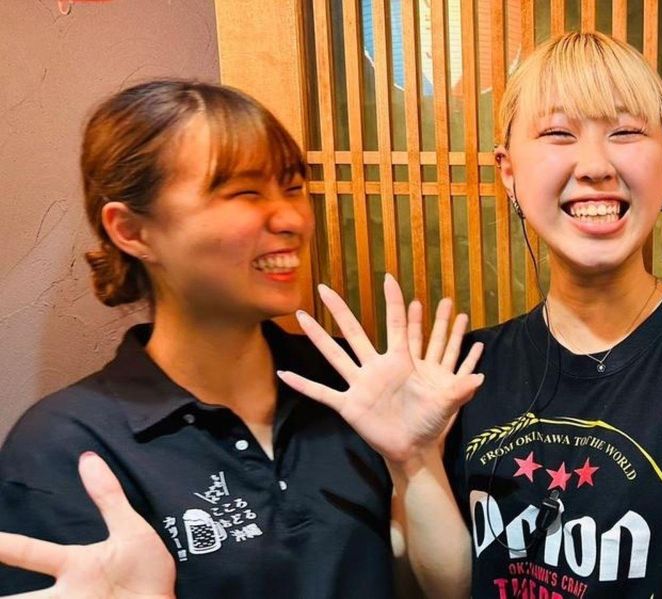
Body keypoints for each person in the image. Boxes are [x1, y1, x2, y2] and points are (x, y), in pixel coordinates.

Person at [276, 32, 662, 598]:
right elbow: (456, 588)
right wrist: (413, 461)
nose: (595, 165)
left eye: (625, 132)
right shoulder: (467, 373)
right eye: (558, 134)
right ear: (508, 171)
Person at [0, 79, 479, 598]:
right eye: (246, 193)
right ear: (131, 231)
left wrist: (414, 463)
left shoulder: (352, 390)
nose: (293, 219)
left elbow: (429, 592)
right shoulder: (65, 447)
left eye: (293, 188)